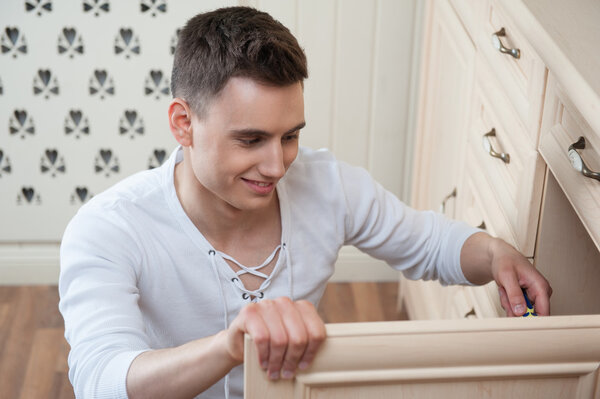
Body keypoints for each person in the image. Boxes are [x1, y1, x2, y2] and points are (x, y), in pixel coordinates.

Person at [58, 6, 552, 399]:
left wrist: (493, 253)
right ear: (183, 123)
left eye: (289, 136)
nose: (277, 166)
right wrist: (229, 347)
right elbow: (101, 381)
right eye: (251, 140)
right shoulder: (107, 229)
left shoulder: (326, 184)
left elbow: (431, 244)